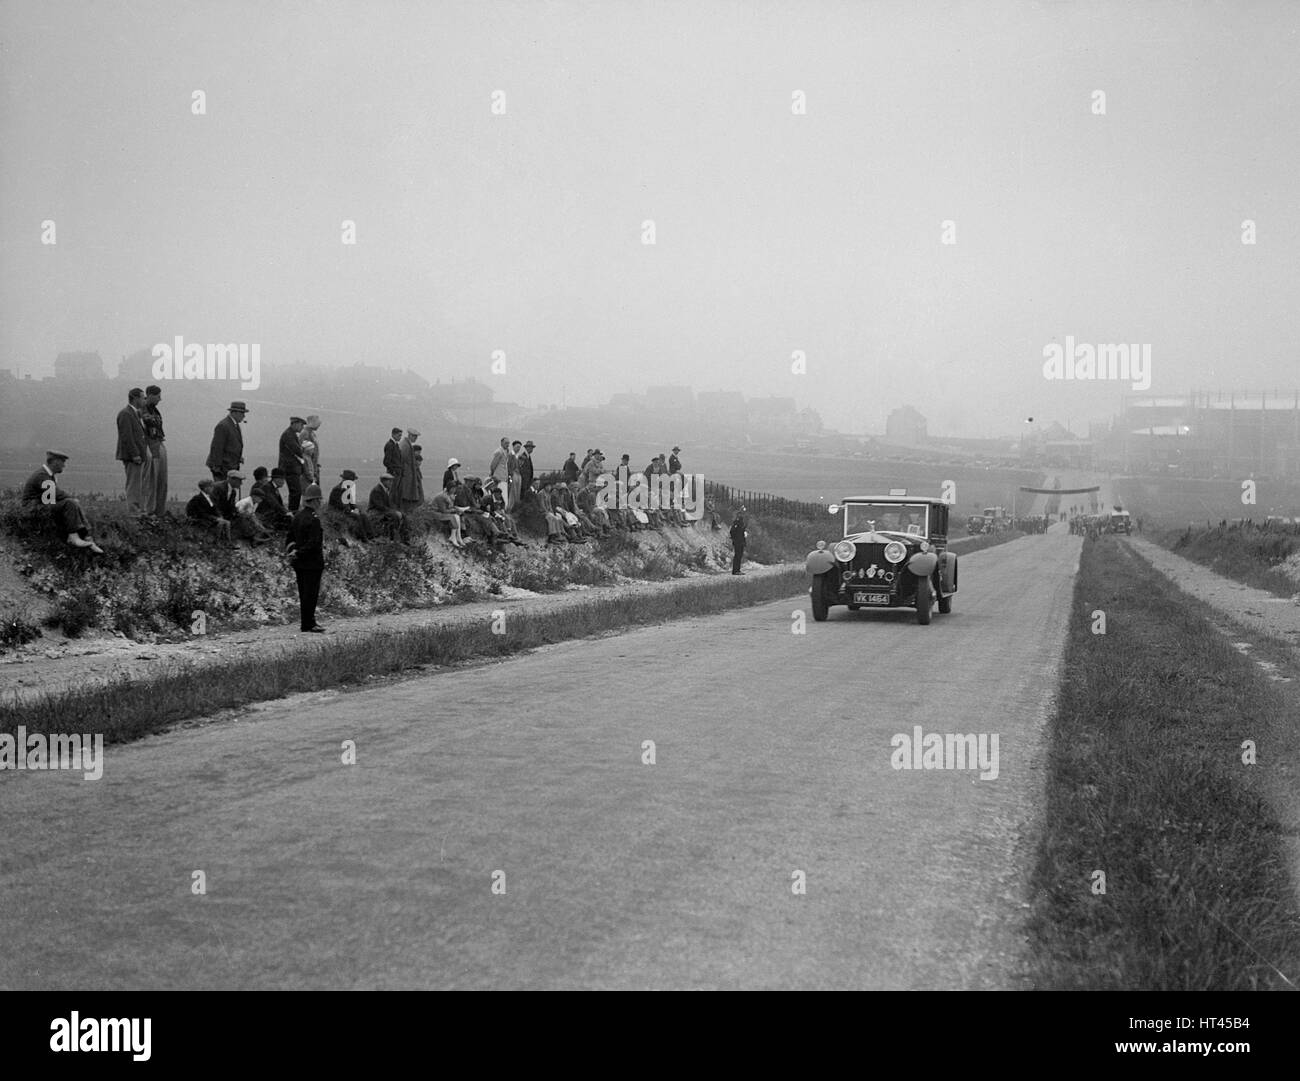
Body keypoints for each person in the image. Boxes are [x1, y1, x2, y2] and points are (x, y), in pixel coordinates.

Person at [22, 450, 103, 553]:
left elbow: (50, 498)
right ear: (55, 462)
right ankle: (74, 537)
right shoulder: (42, 475)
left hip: (40, 506)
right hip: (32, 509)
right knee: (70, 503)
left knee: (72, 504)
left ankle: (87, 537)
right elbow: (54, 494)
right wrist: (71, 499)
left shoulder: (47, 474)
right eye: (62, 462)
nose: (64, 466)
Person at [287, 484, 326, 633]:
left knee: (303, 593)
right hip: (312, 563)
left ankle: (306, 622)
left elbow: (290, 537)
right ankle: (309, 623)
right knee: (311, 594)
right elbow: (314, 543)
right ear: (315, 501)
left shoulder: (297, 517)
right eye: (319, 500)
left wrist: (293, 552)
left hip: (298, 563)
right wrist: (300, 552)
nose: (320, 503)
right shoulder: (314, 519)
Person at [115, 387, 149, 514]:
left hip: (139, 455)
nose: (144, 400)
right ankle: (133, 509)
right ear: (135, 398)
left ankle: (138, 507)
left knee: (138, 483)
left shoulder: (134, 413)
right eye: (142, 397)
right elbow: (126, 436)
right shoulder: (125, 414)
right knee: (133, 483)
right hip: (132, 456)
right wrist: (135, 454)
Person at [141, 384, 168, 516]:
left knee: (161, 480)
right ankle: (149, 510)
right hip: (150, 446)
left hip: (158, 443)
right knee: (151, 480)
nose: (160, 399)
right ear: (150, 395)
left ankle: (159, 510)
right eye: (158, 396)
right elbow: (147, 425)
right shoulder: (142, 409)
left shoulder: (154, 410)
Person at [206, 401, 247, 482]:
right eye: (242, 413)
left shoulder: (234, 425)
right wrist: (217, 467)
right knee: (222, 490)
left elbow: (231, 445)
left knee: (228, 490)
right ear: (234, 413)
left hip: (229, 465)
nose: (244, 416)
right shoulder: (223, 425)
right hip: (222, 467)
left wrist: (238, 457)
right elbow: (217, 447)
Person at [328, 469, 374, 542]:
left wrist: (357, 509)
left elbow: (352, 503)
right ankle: (364, 539)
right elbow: (340, 506)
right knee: (357, 517)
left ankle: (371, 537)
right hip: (337, 512)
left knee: (363, 515)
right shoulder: (337, 490)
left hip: (345, 510)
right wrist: (352, 511)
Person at [367, 473, 409, 543]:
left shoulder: (384, 489)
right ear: (384, 481)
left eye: (391, 481)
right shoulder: (377, 490)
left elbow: (388, 505)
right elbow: (379, 506)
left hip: (381, 511)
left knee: (403, 515)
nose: (391, 483)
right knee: (394, 516)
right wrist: (394, 512)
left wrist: (396, 511)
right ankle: (392, 538)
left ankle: (405, 538)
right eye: (389, 481)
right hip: (374, 512)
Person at [278, 415, 308, 511]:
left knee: (295, 492)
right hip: (290, 468)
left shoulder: (291, 434)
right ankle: (293, 512)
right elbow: (297, 450)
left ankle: (293, 511)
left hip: (292, 468)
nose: (302, 427)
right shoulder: (288, 435)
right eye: (301, 425)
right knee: (296, 492)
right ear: (294, 424)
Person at [252, 467, 292, 532]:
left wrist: (286, 511)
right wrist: (286, 512)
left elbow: (279, 504)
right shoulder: (267, 487)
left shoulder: (273, 488)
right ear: (276, 479)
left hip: (271, 514)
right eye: (282, 479)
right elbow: (274, 503)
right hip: (266, 516)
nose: (284, 482)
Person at [395, 428, 424, 511]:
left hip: (408, 476)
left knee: (409, 496)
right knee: (406, 496)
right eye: (414, 436)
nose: (415, 438)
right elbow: (401, 460)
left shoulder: (407, 445)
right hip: (406, 477)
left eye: (416, 437)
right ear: (409, 435)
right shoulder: (405, 445)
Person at [302, 415, 322, 484]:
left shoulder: (312, 433)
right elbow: (305, 452)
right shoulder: (305, 433)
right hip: (309, 467)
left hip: (313, 466)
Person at [730, 507, 748, 574]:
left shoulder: (742, 523)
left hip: (741, 541)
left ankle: (738, 570)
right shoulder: (736, 523)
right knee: (737, 555)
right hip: (737, 541)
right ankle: (735, 570)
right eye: (741, 514)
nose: (742, 515)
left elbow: (743, 532)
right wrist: (734, 538)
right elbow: (732, 531)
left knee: (739, 555)